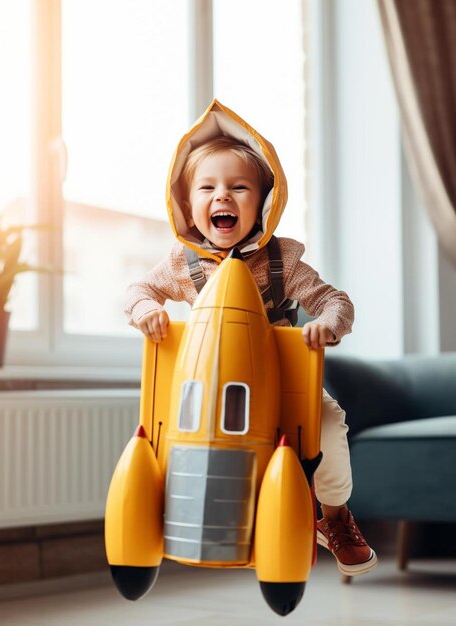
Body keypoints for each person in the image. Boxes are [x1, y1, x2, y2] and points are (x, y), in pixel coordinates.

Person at [125, 100, 377, 577]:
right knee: (159, 436)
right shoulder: (183, 265)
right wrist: (147, 310)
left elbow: (336, 300)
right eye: (208, 187)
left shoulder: (282, 261)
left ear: (263, 203)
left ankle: (336, 516)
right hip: (207, 387)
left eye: (239, 187)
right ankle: (159, 515)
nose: (223, 196)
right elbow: (138, 290)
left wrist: (327, 323)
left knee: (328, 422)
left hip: (279, 378)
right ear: (188, 204)